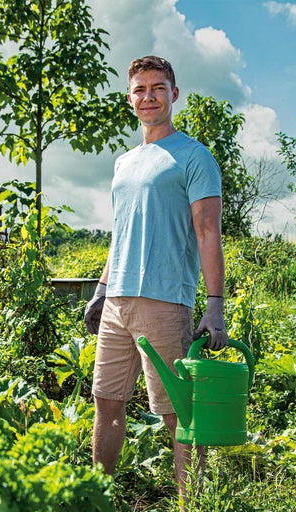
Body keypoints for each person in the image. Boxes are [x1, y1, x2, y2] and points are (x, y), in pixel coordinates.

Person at [83, 55, 229, 499]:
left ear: (174, 94)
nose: (149, 96)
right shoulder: (124, 163)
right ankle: (98, 500)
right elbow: (120, 231)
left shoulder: (194, 156)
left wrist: (215, 306)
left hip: (166, 300)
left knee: (178, 413)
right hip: (118, 301)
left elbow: (208, 231)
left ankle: (193, 505)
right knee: (105, 404)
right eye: (140, 89)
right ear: (130, 98)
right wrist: (101, 289)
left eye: (158, 88)